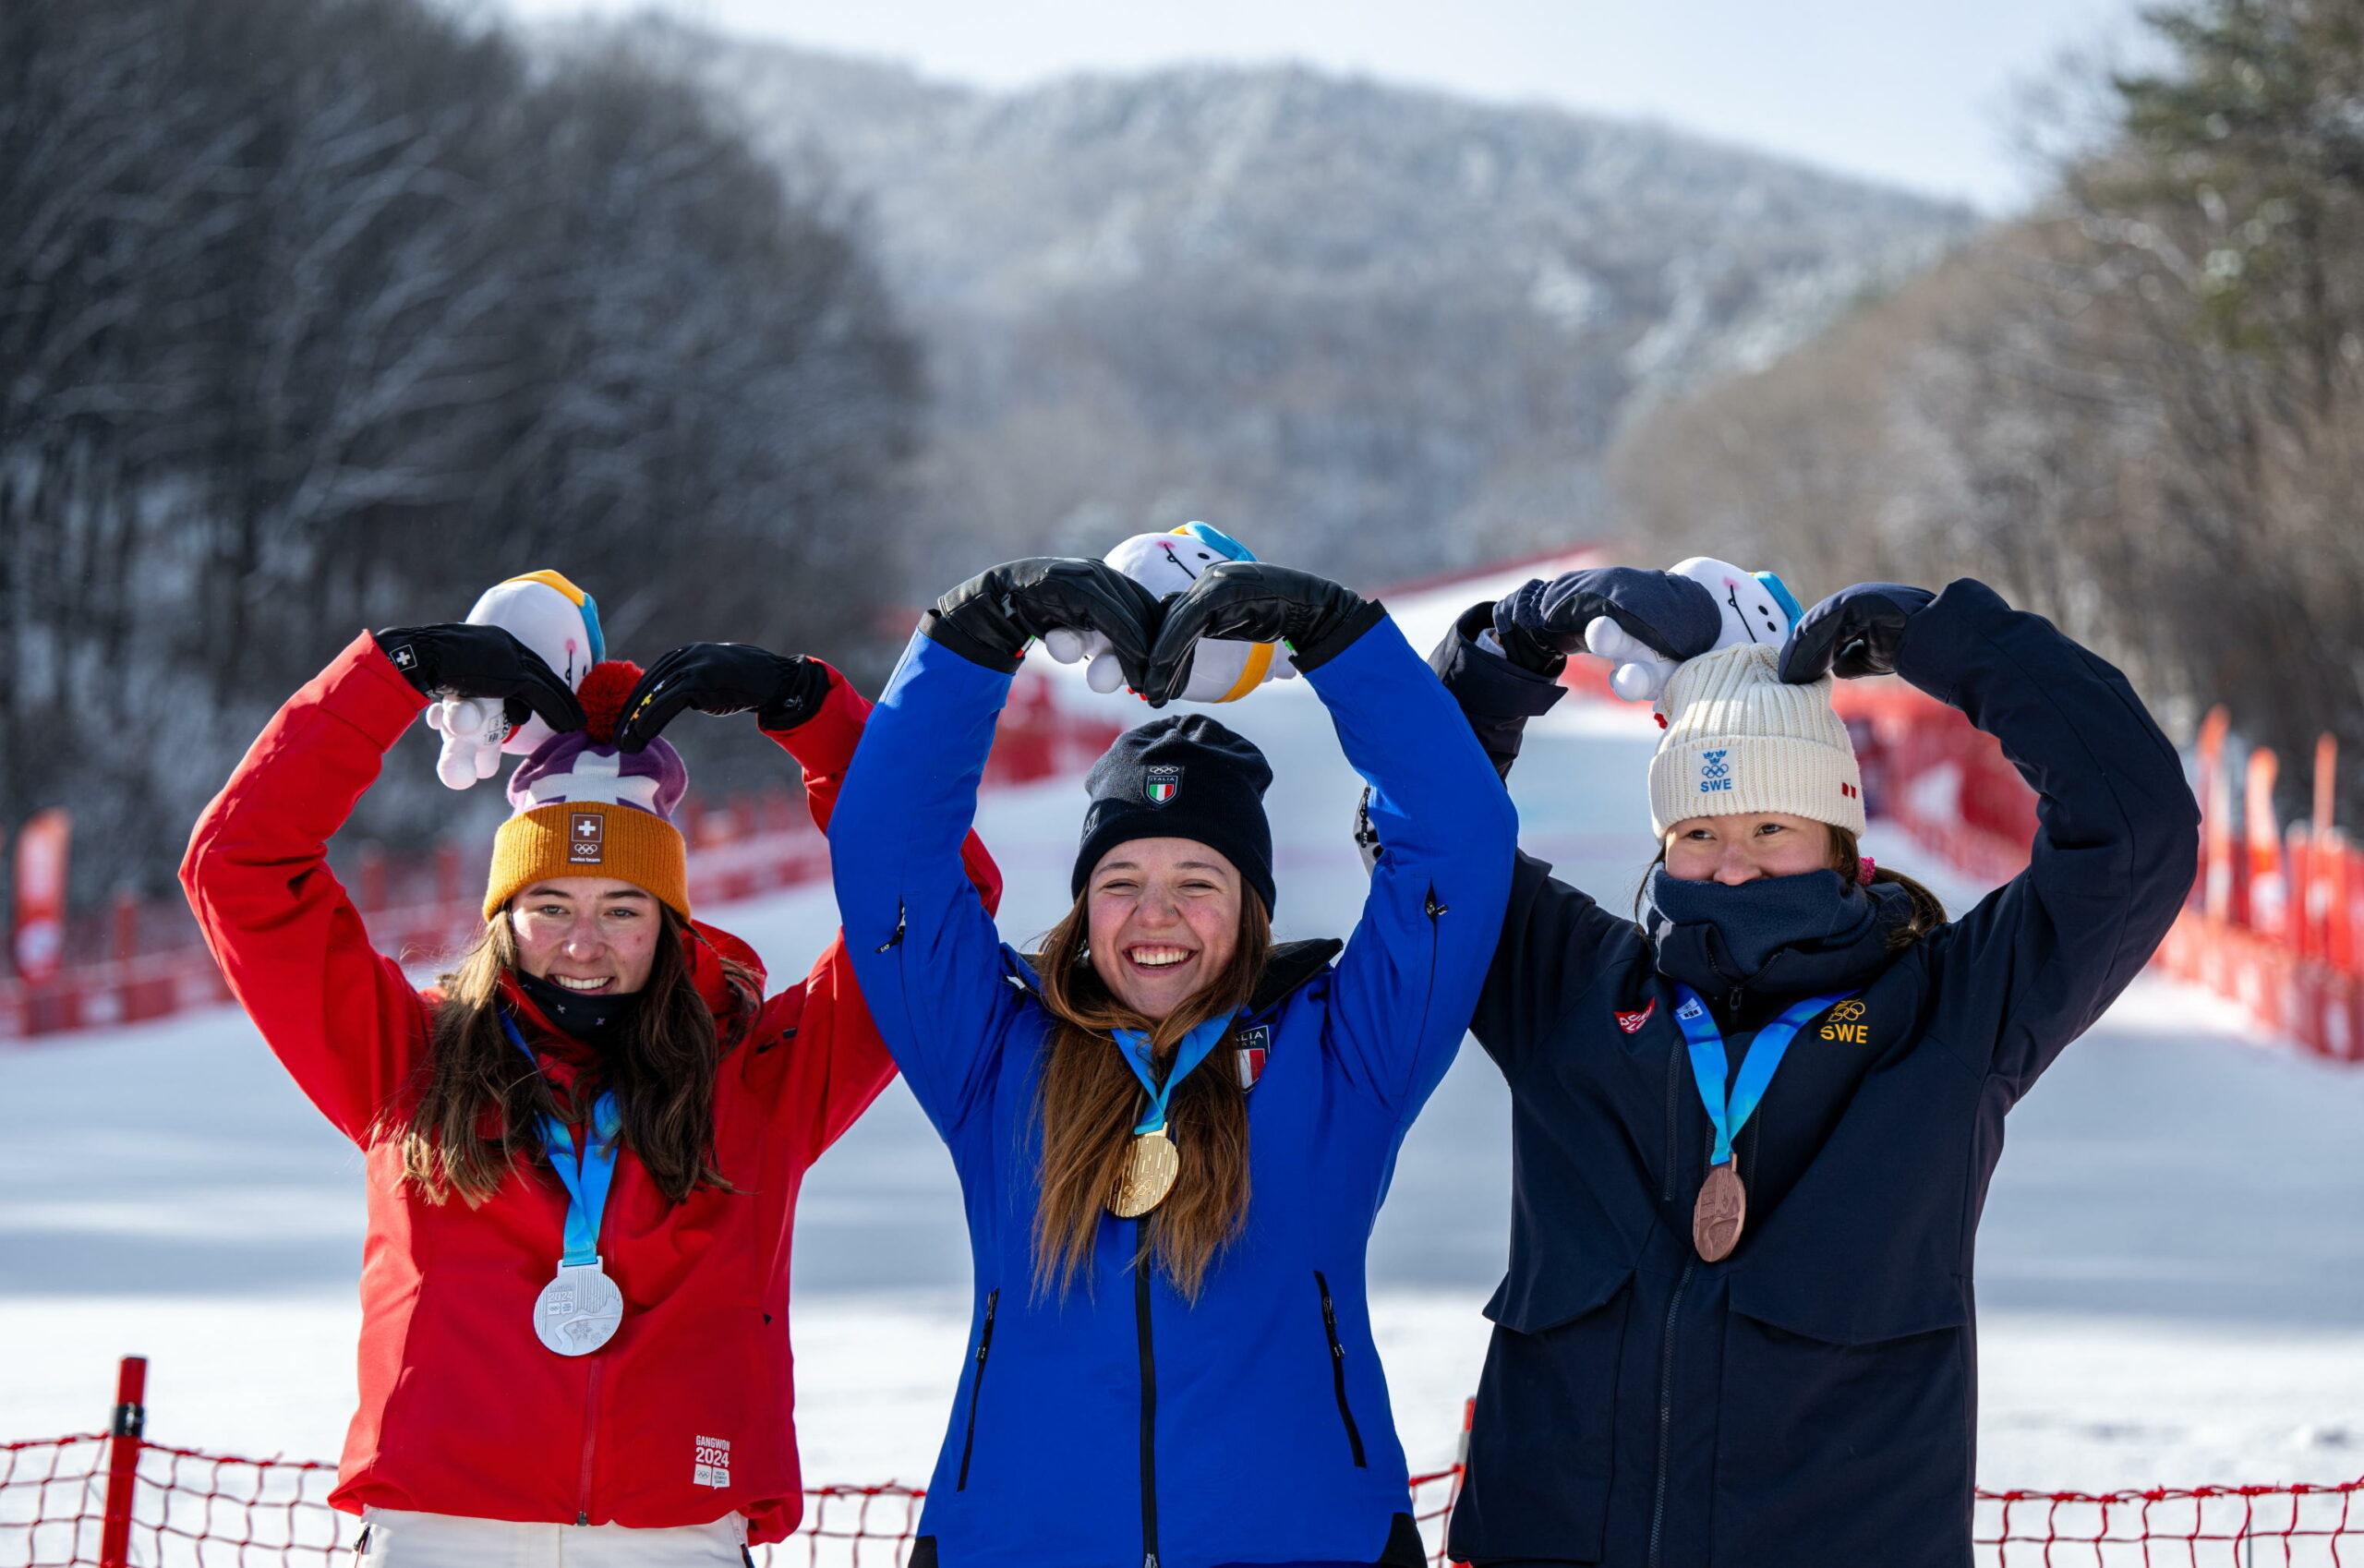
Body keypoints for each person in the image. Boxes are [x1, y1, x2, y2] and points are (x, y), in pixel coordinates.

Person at [1419, 572, 2200, 1568]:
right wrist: (1513, 644)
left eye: (1768, 830)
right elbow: (1426, 847)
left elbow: (2134, 833)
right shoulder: (1574, 991)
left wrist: (1955, 644)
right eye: (1697, 834)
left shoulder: (1946, 1014)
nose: (1730, 865)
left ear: (1838, 843)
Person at [181, 624, 997, 1564]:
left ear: (670, 921)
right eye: (551, 907)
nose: (584, 943)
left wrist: (811, 714)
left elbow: (936, 907)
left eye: (622, 908)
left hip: (679, 1534)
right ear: (502, 917)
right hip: (444, 1531)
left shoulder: (763, 1075)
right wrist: (392, 676)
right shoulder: (406, 1063)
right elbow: (238, 869)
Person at [827, 556, 1517, 1568]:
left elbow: (1458, 846)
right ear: (1081, 904)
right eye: (1121, 880)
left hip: (1311, 1547)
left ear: (1250, 911)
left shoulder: (1343, 1053)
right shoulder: (996, 1057)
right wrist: (976, 635)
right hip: (1013, 1547)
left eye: (1198, 879)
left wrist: (1338, 639)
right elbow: (888, 855)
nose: (1155, 917)